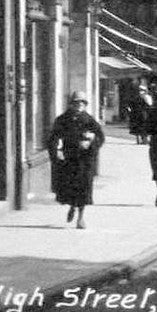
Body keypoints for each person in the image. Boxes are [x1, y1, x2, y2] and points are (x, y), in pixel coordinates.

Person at [46, 91, 105, 229]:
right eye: (77, 102)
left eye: (82, 103)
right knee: (71, 188)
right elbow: (53, 138)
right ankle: (72, 206)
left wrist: (90, 143)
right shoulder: (62, 120)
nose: (79, 105)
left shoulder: (89, 120)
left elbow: (100, 137)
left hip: (85, 160)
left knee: (84, 189)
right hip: (70, 159)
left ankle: (81, 218)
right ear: (71, 104)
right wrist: (56, 154)